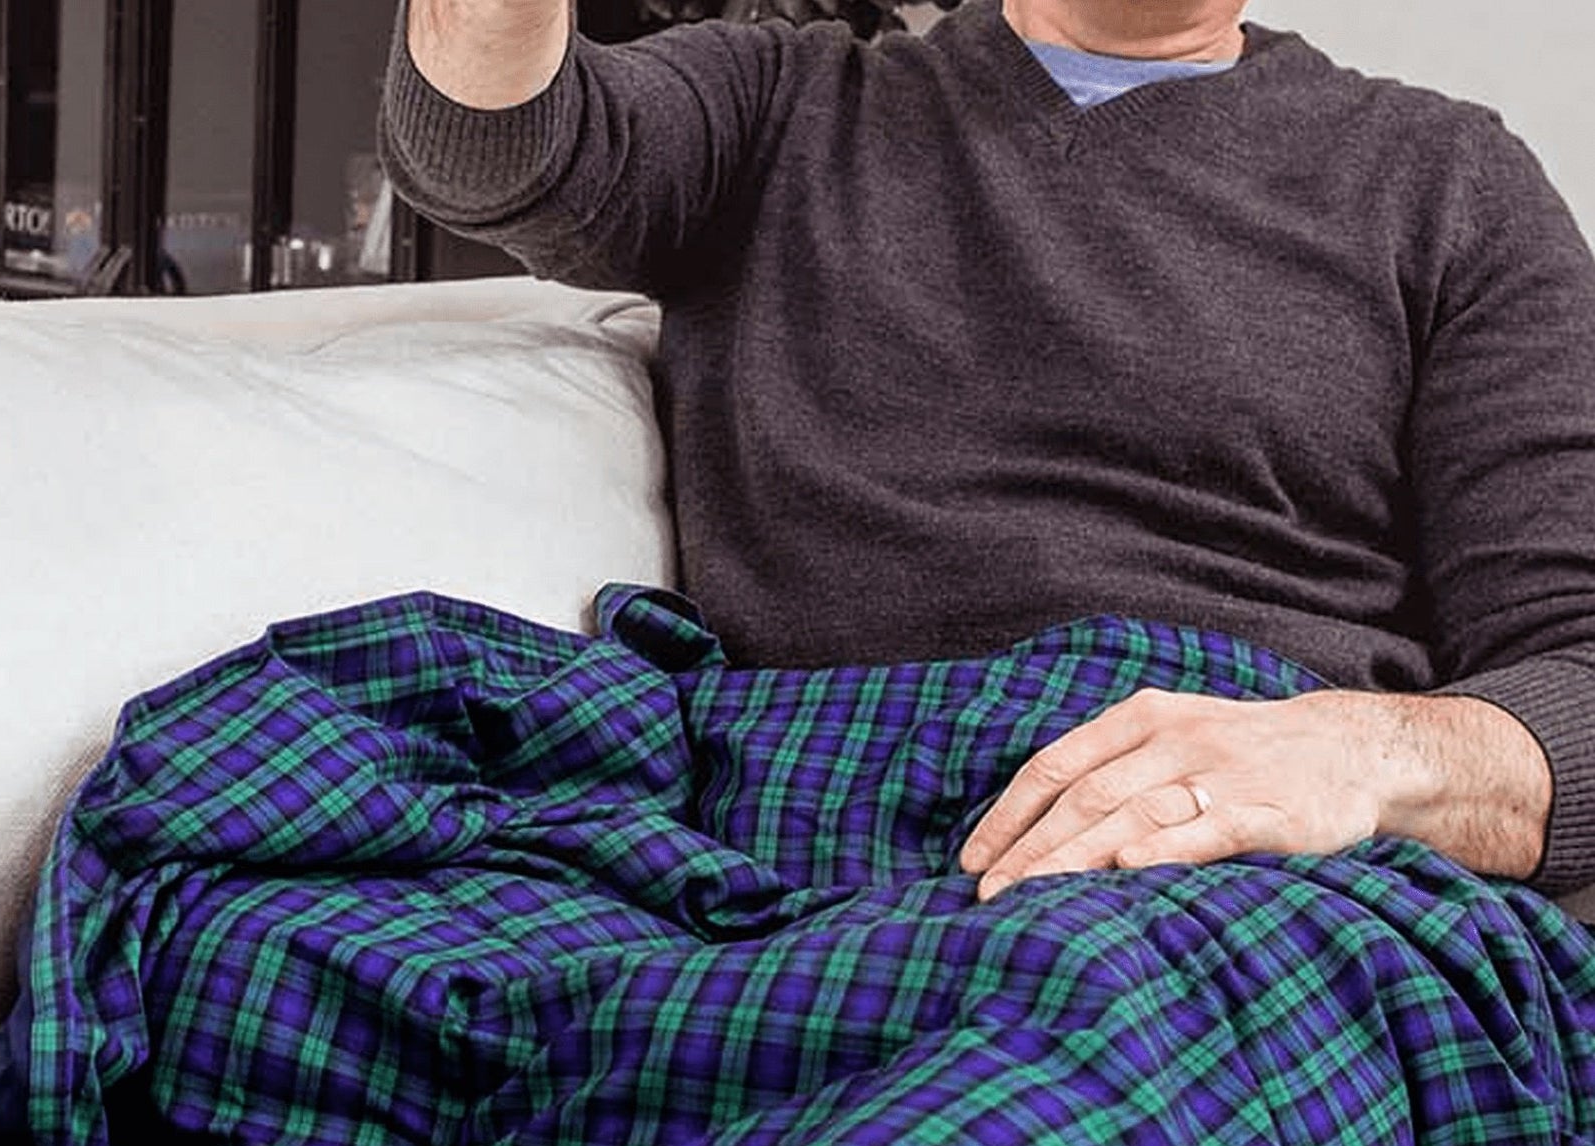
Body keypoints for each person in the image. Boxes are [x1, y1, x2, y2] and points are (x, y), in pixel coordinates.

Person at [378, 0, 1595, 901]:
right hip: (776, 821)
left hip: (1217, 857)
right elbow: (503, 149)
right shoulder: (781, 107)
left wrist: (1356, 754)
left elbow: (1575, 673)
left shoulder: (1446, 181)